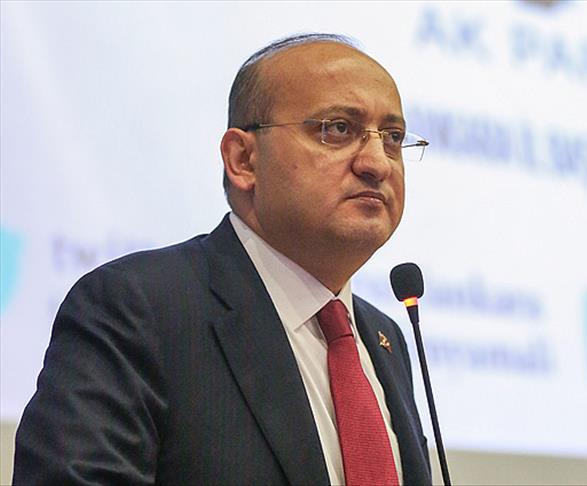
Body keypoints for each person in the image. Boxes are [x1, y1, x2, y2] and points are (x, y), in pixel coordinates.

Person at [13, 33, 431, 485]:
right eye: (338, 129)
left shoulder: (385, 338)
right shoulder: (137, 309)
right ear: (243, 159)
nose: (377, 163)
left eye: (393, 138)